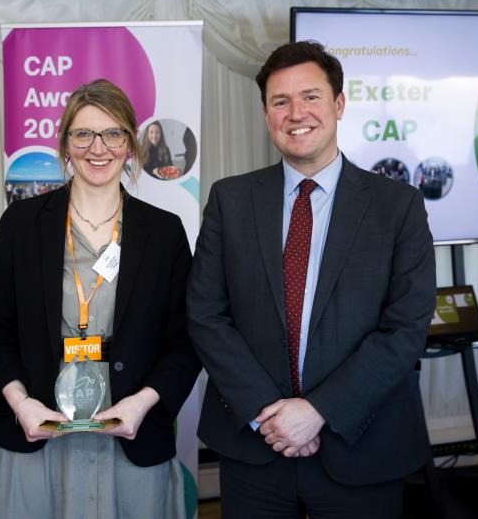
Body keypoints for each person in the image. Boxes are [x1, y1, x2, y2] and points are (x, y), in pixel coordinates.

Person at [187, 41, 436, 518]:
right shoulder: (230, 201)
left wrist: (317, 410)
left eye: (311, 97)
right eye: (280, 102)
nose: (295, 113)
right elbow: (206, 315)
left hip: (363, 446)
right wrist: (271, 414)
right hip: (255, 448)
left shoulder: (397, 206)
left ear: (339, 104)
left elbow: (404, 330)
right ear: (266, 114)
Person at [0, 79, 201, 518]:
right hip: (36, 440)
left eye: (113, 133)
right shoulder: (21, 225)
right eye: (83, 134)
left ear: (131, 144)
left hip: (130, 441)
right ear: (65, 144)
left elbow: (185, 341)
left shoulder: (164, 232)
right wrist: (21, 405)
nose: (98, 148)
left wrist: (142, 404)